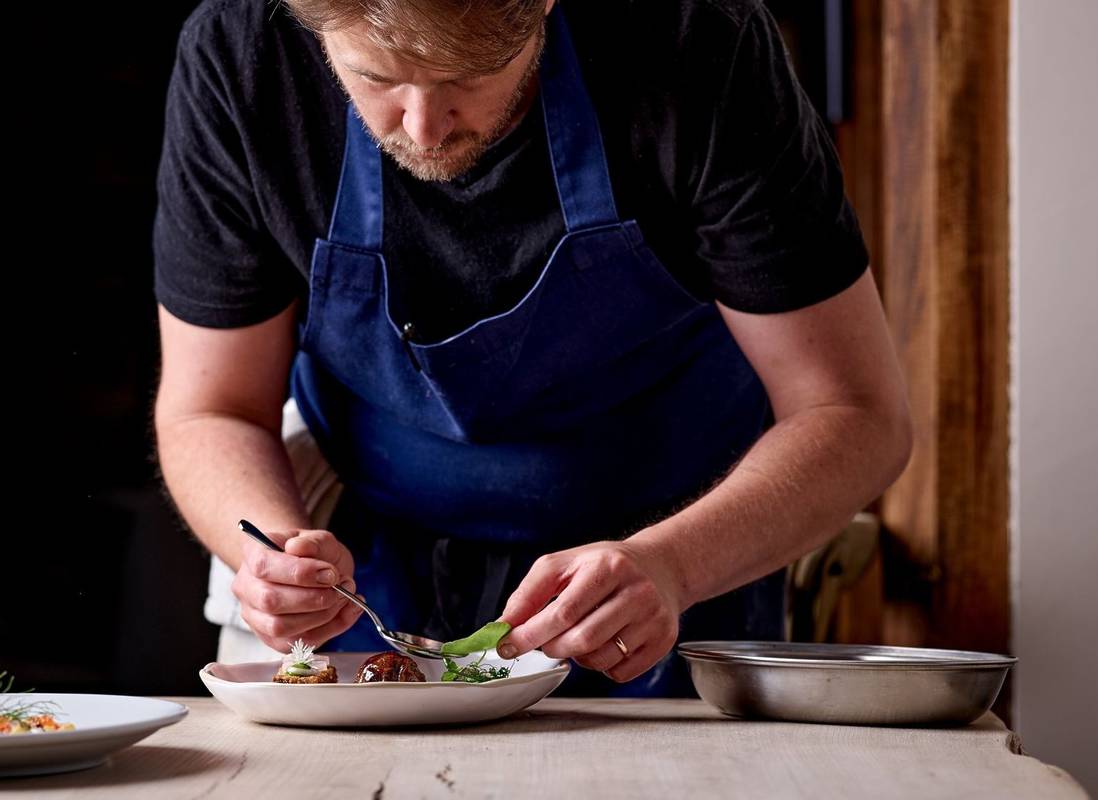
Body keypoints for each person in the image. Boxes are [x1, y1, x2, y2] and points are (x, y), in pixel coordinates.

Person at [152, 0, 912, 697]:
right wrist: (271, 553)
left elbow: (855, 412)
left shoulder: (698, 41)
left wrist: (675, 564)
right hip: (368, 573)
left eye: (466, 76)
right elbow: (211, 407)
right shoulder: (242, 56)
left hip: (667, 571)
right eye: (375, 78)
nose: (422, 127)